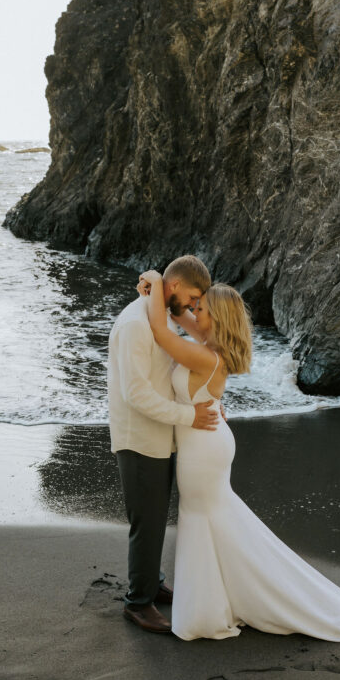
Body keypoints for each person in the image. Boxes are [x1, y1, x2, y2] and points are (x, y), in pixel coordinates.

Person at [137, 269, 340, 646]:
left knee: (202, 519)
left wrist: (152, 280)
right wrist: (167, 296)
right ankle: (218, 602)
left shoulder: (204, 356)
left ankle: (210, 610)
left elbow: (162, 334)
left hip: (204, 450)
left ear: (215, 318)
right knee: (212, 521)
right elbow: (180, 323)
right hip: (207, 443)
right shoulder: (210, 348)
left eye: (200, 309)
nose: (193, 313)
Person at [107, 254, 219, 634]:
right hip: (139, 438)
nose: (192, 307)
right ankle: (138, 603)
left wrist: (156, 281)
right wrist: (190, 417)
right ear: (174, 286)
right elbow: (135, 393)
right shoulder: (136, 325)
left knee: (155, 518)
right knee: (147, 522)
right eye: (191, 298)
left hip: (160, 436)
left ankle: (152, 584)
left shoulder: (160, 314)